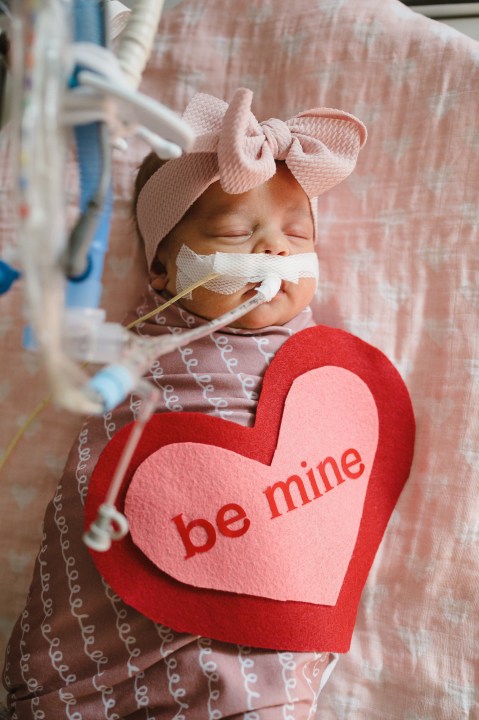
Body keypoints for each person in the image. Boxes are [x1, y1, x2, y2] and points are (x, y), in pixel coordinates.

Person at [3, 88, 366, 719]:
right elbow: (98, 474)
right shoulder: (143, 357)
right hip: (123, 615)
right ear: (164, 270)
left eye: (296, 234)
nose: (275, 250)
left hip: (258, 616)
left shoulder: (321, 371)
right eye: (234, 233)